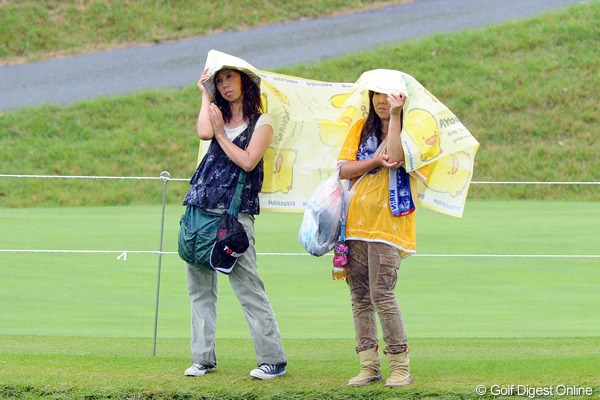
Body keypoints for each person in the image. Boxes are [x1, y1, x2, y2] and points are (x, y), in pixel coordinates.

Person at [181, 64, 287, 380]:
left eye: (230, 77)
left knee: (248, 286)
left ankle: (273, 359)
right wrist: (204, 96)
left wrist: (221, 134)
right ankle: (202, 358)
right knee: (199, 288)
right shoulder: (217, 115)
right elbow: (202, 131)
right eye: (220, 81)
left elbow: (248, 159)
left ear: (244, 81)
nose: (225, 85)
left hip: (234, 216)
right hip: (200, 208)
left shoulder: (262, 122)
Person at [337, 87, 420, 388]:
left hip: (389, 224)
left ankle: (400, 365)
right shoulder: (360, 128)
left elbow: (396, 157)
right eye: (377, 96)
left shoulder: (413, 128)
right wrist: (373, 162)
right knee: (359, 295)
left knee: (382, 293)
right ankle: (368, 364)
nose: (383, 102)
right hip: (356, 222)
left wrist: (396, 117)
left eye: (390, 97)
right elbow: (344, 169)